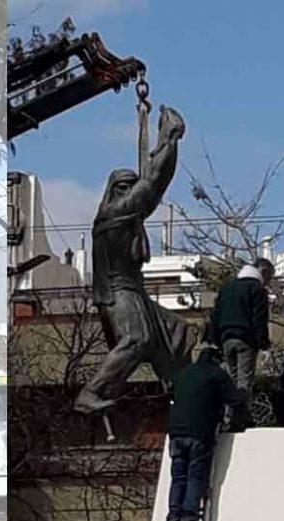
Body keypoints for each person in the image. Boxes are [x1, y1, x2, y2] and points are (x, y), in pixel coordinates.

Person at [73, 107, 196, 414]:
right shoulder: (113, 215)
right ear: (114, 192)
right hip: (119, 292)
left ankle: (184, 394)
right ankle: (91, 393)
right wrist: (169, 140)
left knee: (177, 331)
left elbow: (151, 185)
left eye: (131, 186)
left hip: (134, 292)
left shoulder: (121, 215)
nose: (131, 194)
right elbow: (154, 182)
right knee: (137, 339)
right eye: (124, 188)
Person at [166, 346, 248, 521]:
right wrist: (243, 395)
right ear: (217, 360)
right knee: (196, 475)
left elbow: (171, 395)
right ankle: (189, 516)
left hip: (176, 433)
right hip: (199, 433)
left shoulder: (182, 374)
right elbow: (234, 400)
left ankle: (173, 517)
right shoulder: (216, 374)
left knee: (178, 477)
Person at [209, 259, 274, 404]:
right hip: (246, 339)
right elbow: (259, 319)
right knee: (244, 382)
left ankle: (228, 418)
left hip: (226, 339)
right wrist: (264, 345)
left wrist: (215, 341)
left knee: (231, 382)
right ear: (263, 272)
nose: (268, 281)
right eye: (269, 277)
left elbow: (215, 315)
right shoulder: (257, 289)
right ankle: (240, 418)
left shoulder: (227, 288)